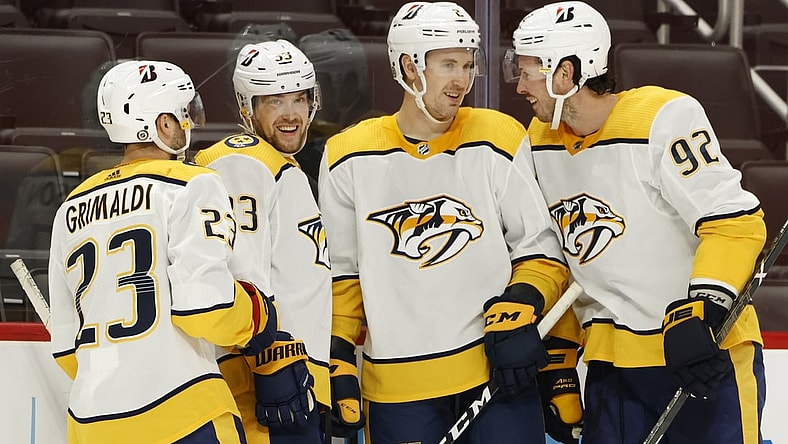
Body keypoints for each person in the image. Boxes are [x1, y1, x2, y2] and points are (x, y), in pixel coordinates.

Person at [318, 2, 583, 443]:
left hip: (498, 373)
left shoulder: (497, 134)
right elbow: (342, 274)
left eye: (467, 64)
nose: (461, 80)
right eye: (447, 65)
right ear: (408, 66)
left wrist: (522, 303)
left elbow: (540, 247)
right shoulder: (347, 155)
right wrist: (339, 355)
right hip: (400, 388)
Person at [505, 1, 768, 442]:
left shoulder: (663, 118)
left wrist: (701, 309)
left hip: (702, 353)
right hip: (613, 368)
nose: (520, 86)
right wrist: (560, 361)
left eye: (529, 71)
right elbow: (554, 257)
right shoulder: (536, 144)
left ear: (564, 73)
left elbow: (733, 221)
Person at [48, 59, 279, 444]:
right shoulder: (192, 184)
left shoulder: (70, 207)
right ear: (163, 124)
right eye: (182, 114)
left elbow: (66, 346)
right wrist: (256, 315)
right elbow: (206, 307)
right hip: (183, 412)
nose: (189, 123)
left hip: (92, 423)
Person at [194, 39, 331, 443]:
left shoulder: (281, 167)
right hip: (264, 387)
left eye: (299, 100)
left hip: (294, 380)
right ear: (246, 107)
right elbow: (239, 278)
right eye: (273, 101)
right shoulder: (243, 162)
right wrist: (271, 362)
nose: (291, 115)